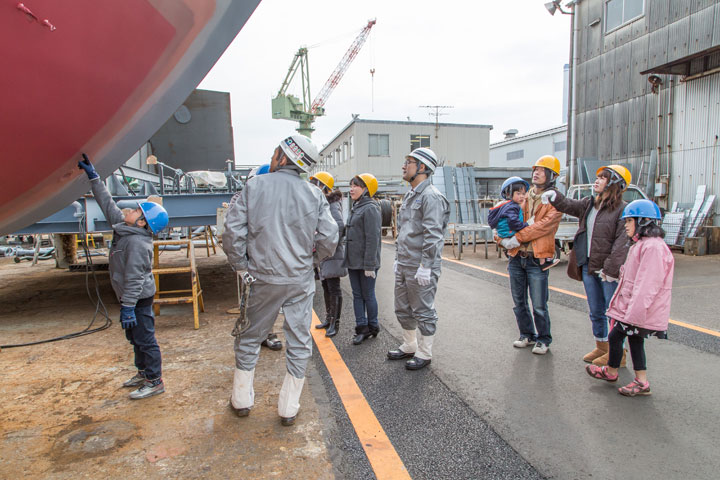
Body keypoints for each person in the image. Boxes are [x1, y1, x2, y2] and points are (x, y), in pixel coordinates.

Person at [222, 135, 338, 426]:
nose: (272, 157)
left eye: (276, 153)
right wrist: (311, 261)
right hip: (299, 279)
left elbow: (232, 232)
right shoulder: (314, 194)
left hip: (263, 277)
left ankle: (242, 400)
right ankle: (288, 408)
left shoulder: (255, 186)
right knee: (299, 340)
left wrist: (240, 265)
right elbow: (329, 238)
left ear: (284, 158)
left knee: (249, 336)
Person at [77, 154, 169, 400]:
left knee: (145, 339)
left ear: (141, 223)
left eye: (137, 210)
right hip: (129, 298)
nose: (129, 209)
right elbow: (108, 204)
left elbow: (135, 278)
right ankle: (143, 372)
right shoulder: (125, 228)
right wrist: (95, 178)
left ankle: (155, 380)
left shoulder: (138, 244)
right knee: (134, 338)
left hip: (137, 298)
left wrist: (128, 306)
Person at [541, 165, 631, 365]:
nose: (596, 181)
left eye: (602, 178)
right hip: (589, 266)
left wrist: (610, 269)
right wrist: (554, 195)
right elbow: (568, 205)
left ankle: (619, 353)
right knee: (595, 310)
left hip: (608, 271)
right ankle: (601, 346)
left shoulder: (622, 209)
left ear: (615, 183)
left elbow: (621, 245)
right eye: (597, 177)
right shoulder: (589, 204)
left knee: (612, 312)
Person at [585, 200, 673, 397]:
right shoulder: (642, 244)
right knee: (633, 340)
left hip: (638, 309)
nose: (625, 225)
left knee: (617, 336)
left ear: (643, 222)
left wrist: (634, 313)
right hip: (634, 308)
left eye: (630, 220)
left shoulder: (652, 248)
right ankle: (639, 380)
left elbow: (647, 285)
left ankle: (613, 371)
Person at [387, 148, 450, 370]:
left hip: (421, 265)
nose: (404, 166)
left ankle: (425, 352)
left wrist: (426, 266)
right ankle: (409, 344)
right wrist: (398, 257)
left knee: (423, 309)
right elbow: (404, 230)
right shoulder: (412, 194)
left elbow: (433, 235)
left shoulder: (431, 196)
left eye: (409, 162)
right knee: (402, 307)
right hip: (405, 262)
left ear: (422, 168)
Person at [498, 155, 562, 355]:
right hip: (517, 257)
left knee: (539, 304)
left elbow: (542, 227)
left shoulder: (556, 200)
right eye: (536, 169)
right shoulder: (523, 195)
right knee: (519, 302)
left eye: (542, 170)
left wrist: (516, 238)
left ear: (551, 175)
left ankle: (543, 339)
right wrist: (500, 236)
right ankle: (526, 334)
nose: (537, 172)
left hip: (537, 258)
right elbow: (507, 216)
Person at [225, 163, 282, 351]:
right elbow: (232, 232)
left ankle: (267, 332)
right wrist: (240, 265)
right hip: (251, 260)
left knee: (270, 300)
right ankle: (250, 333)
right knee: (250, 298)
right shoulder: (241, 199)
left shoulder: (277, 200)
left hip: (272, 259)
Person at [343, 173, 382, 345]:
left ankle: (373, 325)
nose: (351, 189)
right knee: (357, 295)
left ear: (366, 189)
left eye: (355, 185)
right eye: (351, 185)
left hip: (367, 262)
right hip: (353, 260)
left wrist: (369, 265)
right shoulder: (357, 206)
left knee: (368, 294)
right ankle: (361, 327)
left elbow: (373, 238)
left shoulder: (371, 208)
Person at [489, 176, 560, 270]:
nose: (522, 196)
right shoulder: (514, 206)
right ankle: (544, 261)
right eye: (518, 193)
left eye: (523, 193)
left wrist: (499, 237)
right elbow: (515, 223)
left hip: (509, 240)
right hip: (514, 246)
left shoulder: (503, 205)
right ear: (508, 193)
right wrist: (525, 227)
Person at [309, 171, 347, 338]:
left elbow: (339, 227)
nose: (313, 186)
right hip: (325, 254)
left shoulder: (331, 205)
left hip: (331, 253)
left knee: (334, 288)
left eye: (316, 183)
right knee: (326, 287)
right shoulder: (322, 203)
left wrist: (326, 243)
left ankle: (335, 324)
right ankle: (328, 318)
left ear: (323, 186)